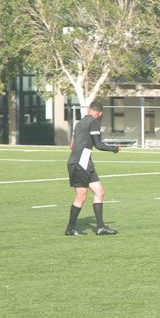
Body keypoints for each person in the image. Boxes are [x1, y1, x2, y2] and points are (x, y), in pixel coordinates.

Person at [65, 100, 121, 236]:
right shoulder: (94, 121)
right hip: (81, 163)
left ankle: (100, 228)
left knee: (99, 192)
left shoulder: (80, 123)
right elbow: (98, 144)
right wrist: (114, 149)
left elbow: (71, 144)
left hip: (82, 162)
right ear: (100, 113)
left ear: (89, 109)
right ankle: (70, 228)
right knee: (81, 196)